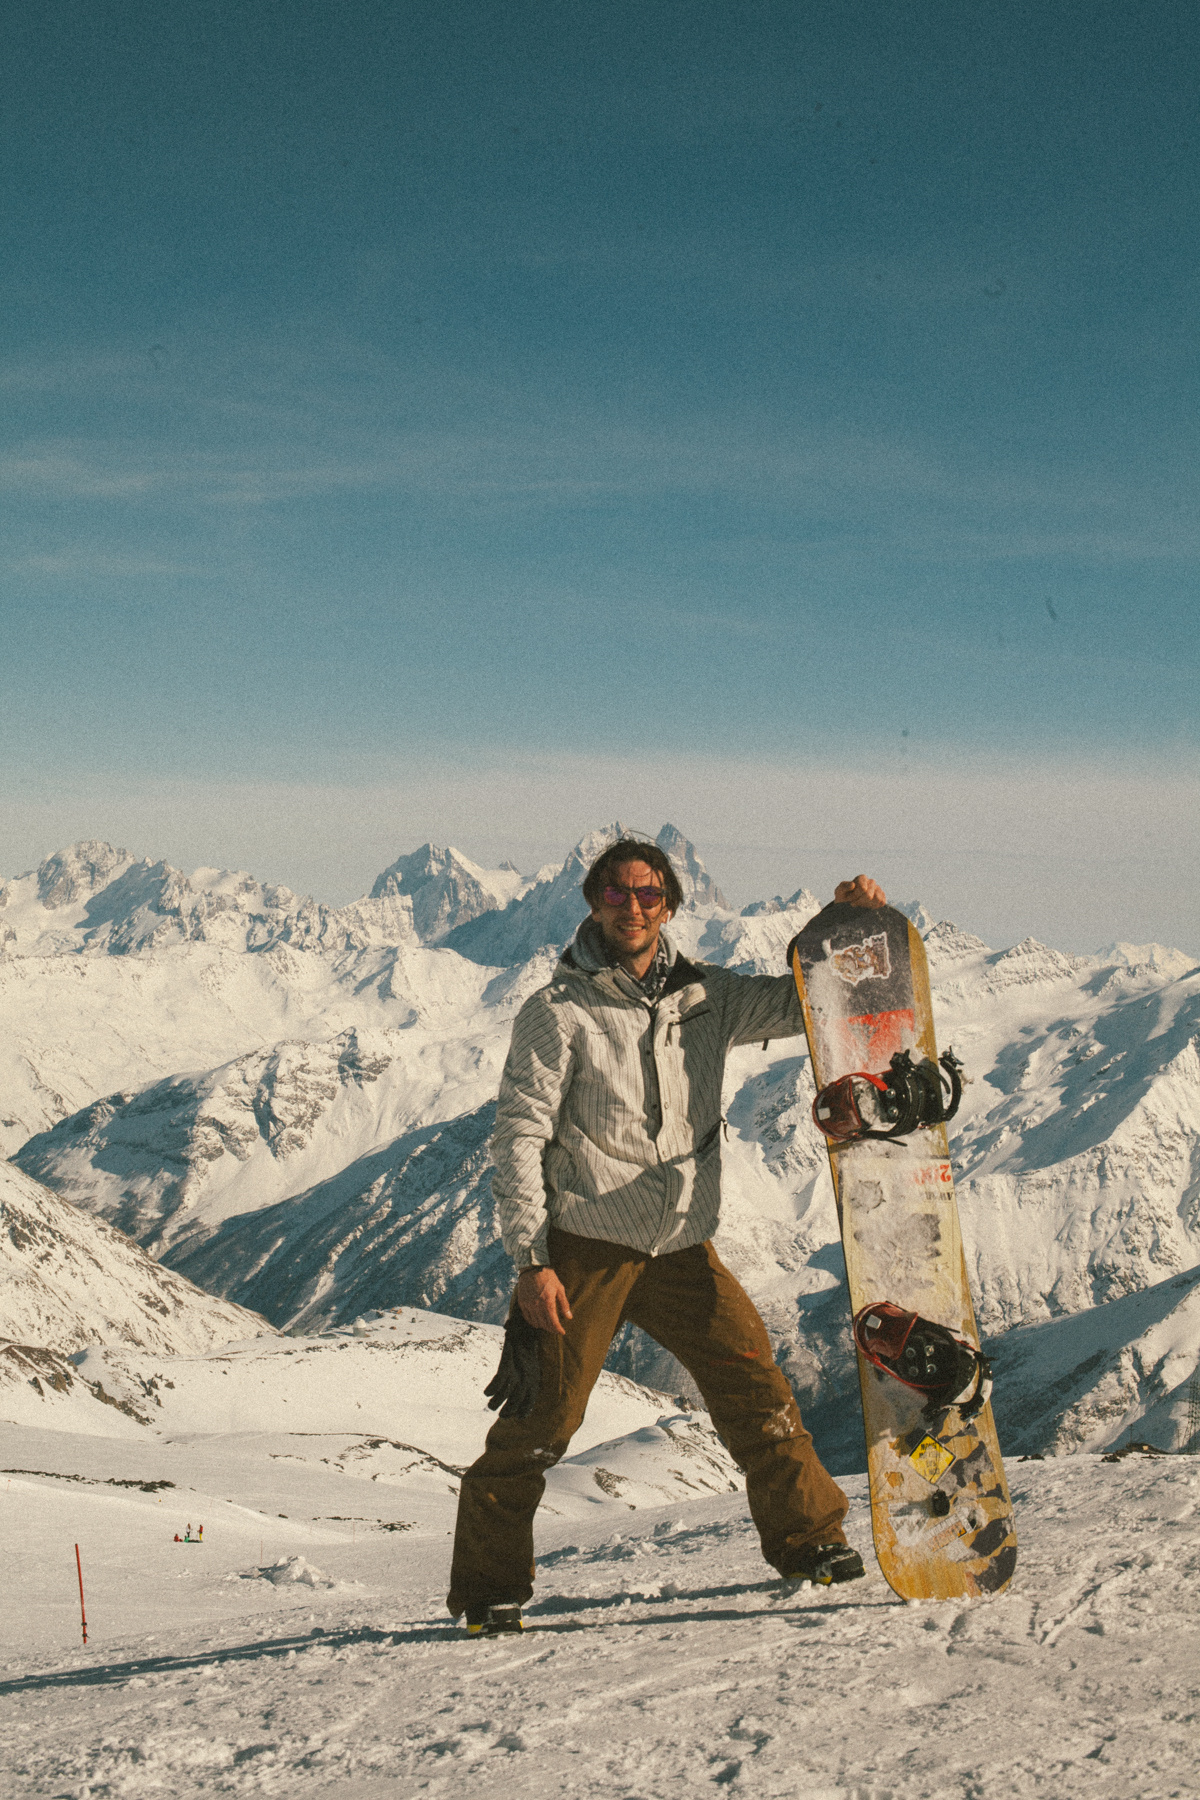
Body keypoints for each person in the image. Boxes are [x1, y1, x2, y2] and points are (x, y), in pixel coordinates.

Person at [447, 837, 887, 1633]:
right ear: (592, 901)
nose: (633, 907)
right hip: (588, 1244)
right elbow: (517, 1136)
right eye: (616, 894)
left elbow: (799, 1004)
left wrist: (841, 921)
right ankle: (487, 1589)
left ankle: (812, 1543)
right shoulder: (558, 1012)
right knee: (542, 1423)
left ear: (672, 904)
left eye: (648, 894)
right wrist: (530, 1261)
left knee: (757, 1393)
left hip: (682, 1244)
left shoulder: (707, 997)